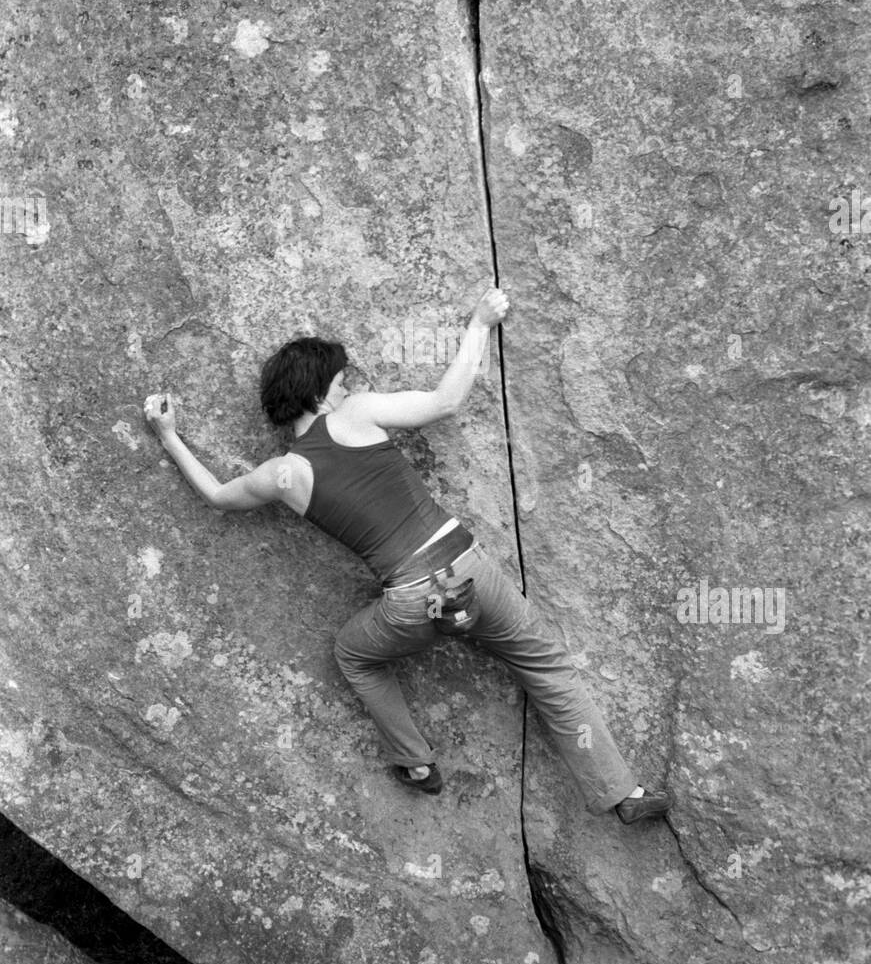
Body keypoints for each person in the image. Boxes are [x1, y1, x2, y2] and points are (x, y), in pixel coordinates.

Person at [143, 287, 670, 823]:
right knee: (550, 670)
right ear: (320, 394)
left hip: (412, 604)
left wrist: (169, 436)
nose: (349, 386)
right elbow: (445, 401)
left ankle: (416, 763)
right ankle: (623, 793)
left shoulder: (281, 475)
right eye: (340, 381)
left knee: (353, 654)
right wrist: (480, 324)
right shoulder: (356, 414)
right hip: (469, 569)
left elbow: (215, 496)